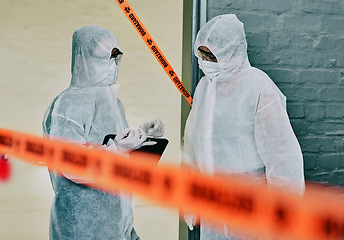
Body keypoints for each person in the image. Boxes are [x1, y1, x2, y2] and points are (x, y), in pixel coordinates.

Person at [182, 14, 305, 239]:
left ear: (232, 52)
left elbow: (283, 159)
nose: (204, 62)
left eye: (211, 56)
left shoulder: (257, 86)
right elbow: (192, 145)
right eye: (201, 54)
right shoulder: (204, 88)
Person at [42, 25, 164, 240]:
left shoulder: (114, 104)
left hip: (119, 223)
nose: (111, 65)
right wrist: (116, 149)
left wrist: (144, 139)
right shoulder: (68, 104)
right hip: (82, 226)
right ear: (81, 60)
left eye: (115, 58)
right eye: (103, 58)